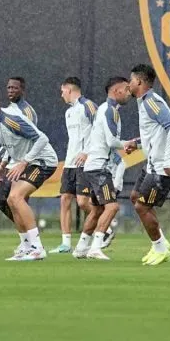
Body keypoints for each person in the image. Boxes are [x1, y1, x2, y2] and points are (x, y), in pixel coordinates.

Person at [0, 89, 58, 261]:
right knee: (10, 201)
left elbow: (42, 139)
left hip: (43, 161)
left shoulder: (10, 119)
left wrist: (24, 162)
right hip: (26, 162)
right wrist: (2, 164)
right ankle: (26, 247)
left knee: (16, 197)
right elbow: (12, 145)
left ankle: (37, 248)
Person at [124, 64, 170, 266]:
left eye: (131, 80)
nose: (129, 84)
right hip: (152, 164)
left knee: (142, 206)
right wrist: (137, 143)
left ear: (139, 82)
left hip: (162, 165)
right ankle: (161, 242)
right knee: (135, 197)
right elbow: (155, 133)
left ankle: (160, 248)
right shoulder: (144, 102)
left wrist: (168, 160)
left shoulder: (151, 101)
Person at [72, 77, 130, 260]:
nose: (129, 93)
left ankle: (81, 248)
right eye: (126, 89)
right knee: (112, 207)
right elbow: (112, 141)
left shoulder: (106, 109)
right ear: (116, 91)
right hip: (99, 167)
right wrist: (130, 143)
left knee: (97, 209)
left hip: (93, 166)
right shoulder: (110, 110)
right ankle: (95, 248)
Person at [0, 76, 39, 255]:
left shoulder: (27, 112)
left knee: (17, 200)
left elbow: (26, 139)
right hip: (11, 163)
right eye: (8, 87)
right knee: (2, 201)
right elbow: (8, 140)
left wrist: (20, 161)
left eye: (15, 88)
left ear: (22, 90)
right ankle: (27, 237)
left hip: (25, 163)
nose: (10, 90)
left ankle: (31, 243)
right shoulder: (6, 110)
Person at [52, 77, 96, 254]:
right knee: (64, 199)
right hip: (70, 163)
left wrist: (87, 152)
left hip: (86, 162)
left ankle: (105, 227)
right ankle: (66, 243)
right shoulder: (68, 112)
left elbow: (99, 130)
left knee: (83, 202)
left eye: (62, 91)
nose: (61, 95)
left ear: (69, 90)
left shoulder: (89, 106)